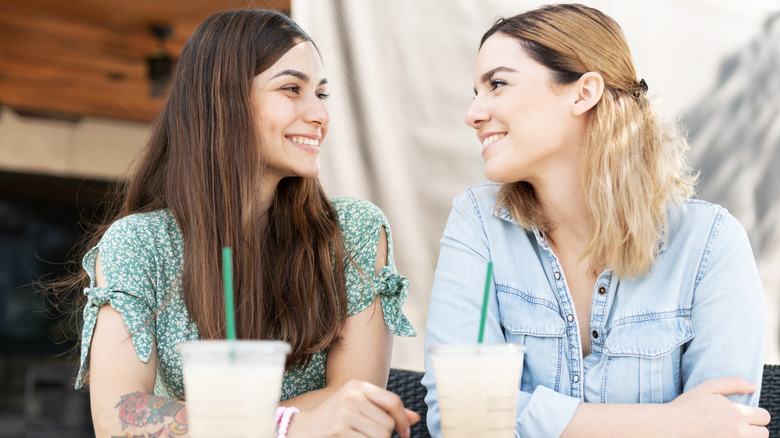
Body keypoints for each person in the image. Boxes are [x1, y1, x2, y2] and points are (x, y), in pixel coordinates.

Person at [67, 9, 418, 438]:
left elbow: (353, 402)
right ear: (224, 101)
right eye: (292, 88)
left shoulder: (353, 233)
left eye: (321, 94)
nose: (320, 115)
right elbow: (118, 415)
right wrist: (285, 426)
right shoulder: (140, 243)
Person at [423, 3, 768, 437]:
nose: (472, 113)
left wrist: (531, 418)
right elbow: (456, 418)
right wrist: (668, 423)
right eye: (476, 92)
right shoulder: (478, 223)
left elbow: (726, 426)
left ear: (583, 93)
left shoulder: (710, 244)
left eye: (497, 84)